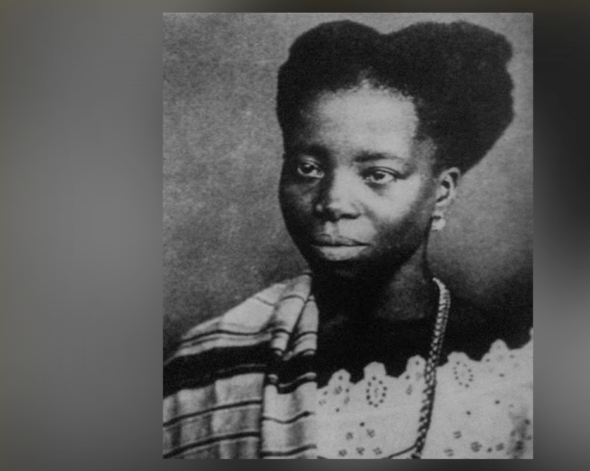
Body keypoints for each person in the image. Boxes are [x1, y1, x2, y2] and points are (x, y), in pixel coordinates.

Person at [163, 19, 532, 459]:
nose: (333, 202)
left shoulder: (507, 364)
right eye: (308, 169)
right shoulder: (210, 363)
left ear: (442, 191)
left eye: (378, 174)